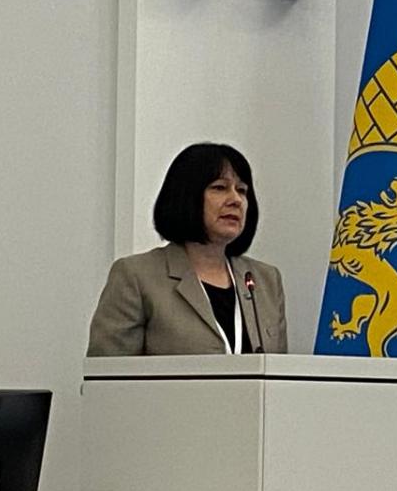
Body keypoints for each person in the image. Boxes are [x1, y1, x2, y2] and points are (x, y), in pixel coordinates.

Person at [87, 143, 287, 355]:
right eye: (220, 188)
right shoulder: (137, 276)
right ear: (186, 195)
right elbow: (109, 372)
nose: (236, 200)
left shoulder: (265, 280)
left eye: (242, 190)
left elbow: (279, 369)